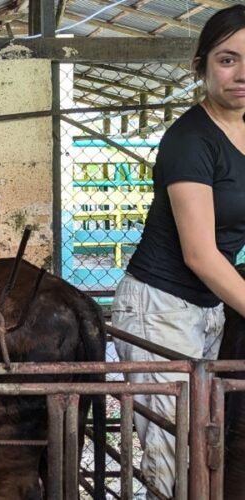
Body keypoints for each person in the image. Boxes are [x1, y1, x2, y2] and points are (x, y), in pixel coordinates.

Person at [111, 5, 245, 498]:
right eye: (228, 59)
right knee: (175, 459)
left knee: (206, 447)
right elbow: (201, 255)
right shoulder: (190, 139)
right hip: (160, 305)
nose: (242, 74)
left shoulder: (243, 131)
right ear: (201, 66)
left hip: (209, 309)